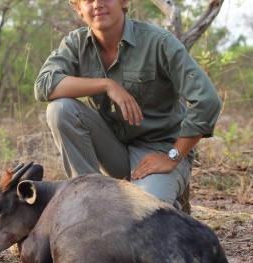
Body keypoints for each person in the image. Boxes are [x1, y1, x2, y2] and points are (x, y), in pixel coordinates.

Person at [34, 0, 222, 213]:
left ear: (124, 1)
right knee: (60, 109)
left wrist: (173, 157)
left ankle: (173, 208)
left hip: (158, 151)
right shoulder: (76, 44)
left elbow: (208, 101)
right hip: (114, 149)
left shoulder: (158, 42)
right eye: (88, 0)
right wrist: (106, 85)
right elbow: (43, 86)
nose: (97, 4)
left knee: (144, 214)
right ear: (78, 9)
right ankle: (88, 201)